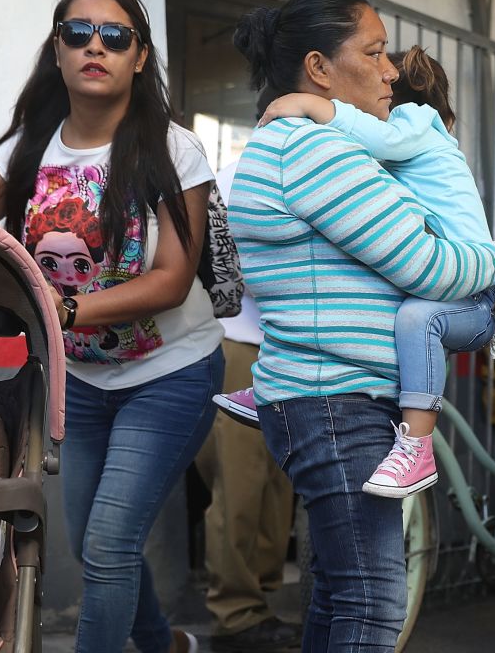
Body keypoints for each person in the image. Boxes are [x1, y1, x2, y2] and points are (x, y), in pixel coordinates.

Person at [229, 0, 495, 650]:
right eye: (373, 52)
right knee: (372, 605)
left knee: (340, 598)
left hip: (327, 397)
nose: (390, 69)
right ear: (319, 68)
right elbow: (427, 265)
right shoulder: (311, 149)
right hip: (336, 403)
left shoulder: (307, 146)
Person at [0, 0, 223, 653]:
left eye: (115, 35)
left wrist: (62, 307)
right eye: (77, 33)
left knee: (108, 541)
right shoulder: (23, 151)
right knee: (98, 540)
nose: (94, 47)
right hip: (79, 382)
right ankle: (163, 646)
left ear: (140, 56)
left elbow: (171, 280)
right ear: (58, 51)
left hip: (170, 371)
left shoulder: (171, 148)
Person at [220, 45, 495, 499]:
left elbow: (381, 141)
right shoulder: (383, 155)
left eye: (384, 82)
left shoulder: (416, 124)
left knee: (417, 318)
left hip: (473, 296)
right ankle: (274, 388)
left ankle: (418, 445)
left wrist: (313, 104)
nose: (378, 86)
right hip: (453, 288)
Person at [194, 121, 299, 650]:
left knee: (278, 486)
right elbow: (224, 271)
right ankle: (234, 614)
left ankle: (258, 603)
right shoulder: (236, 180)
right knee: (239, 486)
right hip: (240, 345)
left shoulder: (310, 173)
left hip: (289, 350)